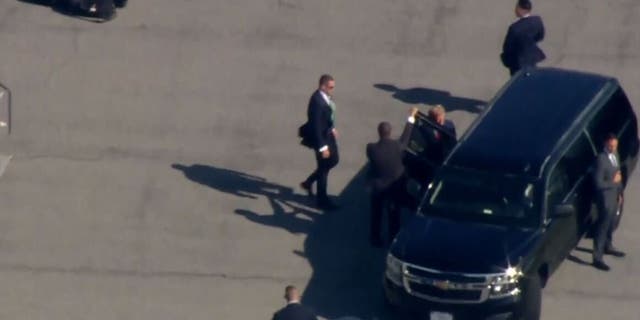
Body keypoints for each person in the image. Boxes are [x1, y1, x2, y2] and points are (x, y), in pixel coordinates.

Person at [366, 109, 419, 247]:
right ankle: (392, 238)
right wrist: (411, 118)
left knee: (376, 213)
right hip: (394, 186)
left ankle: (375, 238)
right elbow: (406, 137)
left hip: (378, 187)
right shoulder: (397, 146)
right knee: (394, 214)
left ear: (379, 133)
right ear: (390, 132)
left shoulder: (371, 148)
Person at [300, 74, 340, 210]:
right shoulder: (317, 102)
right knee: (324, 168)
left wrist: (332, 127)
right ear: (322, 86)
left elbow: (327, 116)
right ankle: (322, 200)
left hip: (327, 134)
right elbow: (316, 126)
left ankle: (309, 182)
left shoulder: (324, 97)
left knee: (333, 160)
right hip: (321, 140)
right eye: (330, 87)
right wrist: (323, 148)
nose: (332, 90)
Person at [592, 134, 626, 271]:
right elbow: (598, 183)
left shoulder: (615, 155)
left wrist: (620, 192)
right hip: (605, 199)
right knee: (603, 226)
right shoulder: (601, 159)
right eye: (611, 146)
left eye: (615, 146)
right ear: (606, 144)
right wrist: (614, 183)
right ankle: (597, 257)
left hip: (615, 196)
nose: (613, 148)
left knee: (611, 223)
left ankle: (608, 245)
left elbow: (618, 174)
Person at [500, 0, 546, 75]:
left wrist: (507, 58)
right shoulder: (537, 21)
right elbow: (540, 36)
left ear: (520, 9)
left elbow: (508, 46)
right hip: (531, 57)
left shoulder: (515, 28)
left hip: (517, 61)